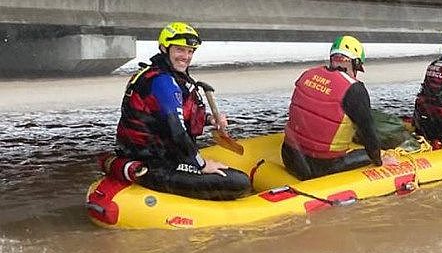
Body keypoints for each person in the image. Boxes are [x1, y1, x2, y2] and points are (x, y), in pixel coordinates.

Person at [110, 21, 251, 200]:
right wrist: (201, 165)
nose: (186, 56)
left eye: (190, 51)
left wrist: (209, 119)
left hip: (150, 155)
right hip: (155, 164)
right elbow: (177, 130)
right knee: (240, 183)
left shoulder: (161, 75)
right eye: (179, 50)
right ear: (164, 48)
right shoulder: (163, 82)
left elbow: (171, 115)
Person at [281, 35, 399, 180]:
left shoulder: (307, 75)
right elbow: (369, 134)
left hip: (289, 157)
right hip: (320, 167)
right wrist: (380, 160)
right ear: (354, 64)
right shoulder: (355, 90)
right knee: (371, 153)